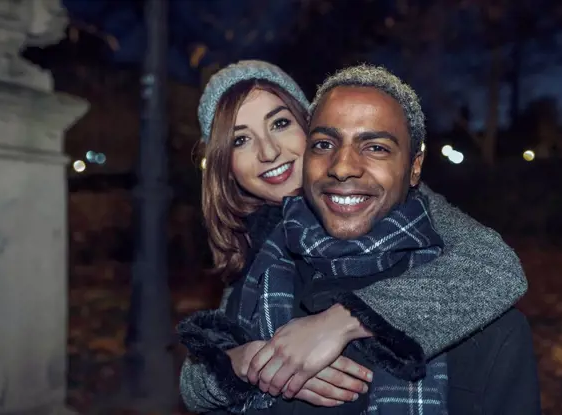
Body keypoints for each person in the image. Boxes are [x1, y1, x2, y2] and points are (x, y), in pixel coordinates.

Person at [178, 61, 537, 413]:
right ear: (224, 163)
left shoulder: (410, 204)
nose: (268, 151)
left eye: (281, 123)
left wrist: (341, 322)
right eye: (240, 139)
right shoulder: (258, 249)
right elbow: (194, 380)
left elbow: (496, 266)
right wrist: (258, 362)